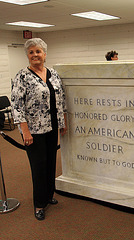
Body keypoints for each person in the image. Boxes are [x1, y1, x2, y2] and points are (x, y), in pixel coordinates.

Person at [11, 38, 67, 221]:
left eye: (38, 51)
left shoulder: (53, 74)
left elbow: (61, 99)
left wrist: (62, 122)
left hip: (51, 126)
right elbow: (17, 106)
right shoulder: (22, 76)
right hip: (33, 130)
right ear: (27, 56)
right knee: (39, 166)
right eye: (31, 52)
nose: (35, 55)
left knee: (51, 161)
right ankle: (39, 204)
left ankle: (49, 195)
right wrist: (25, 131)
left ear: (45, 54)